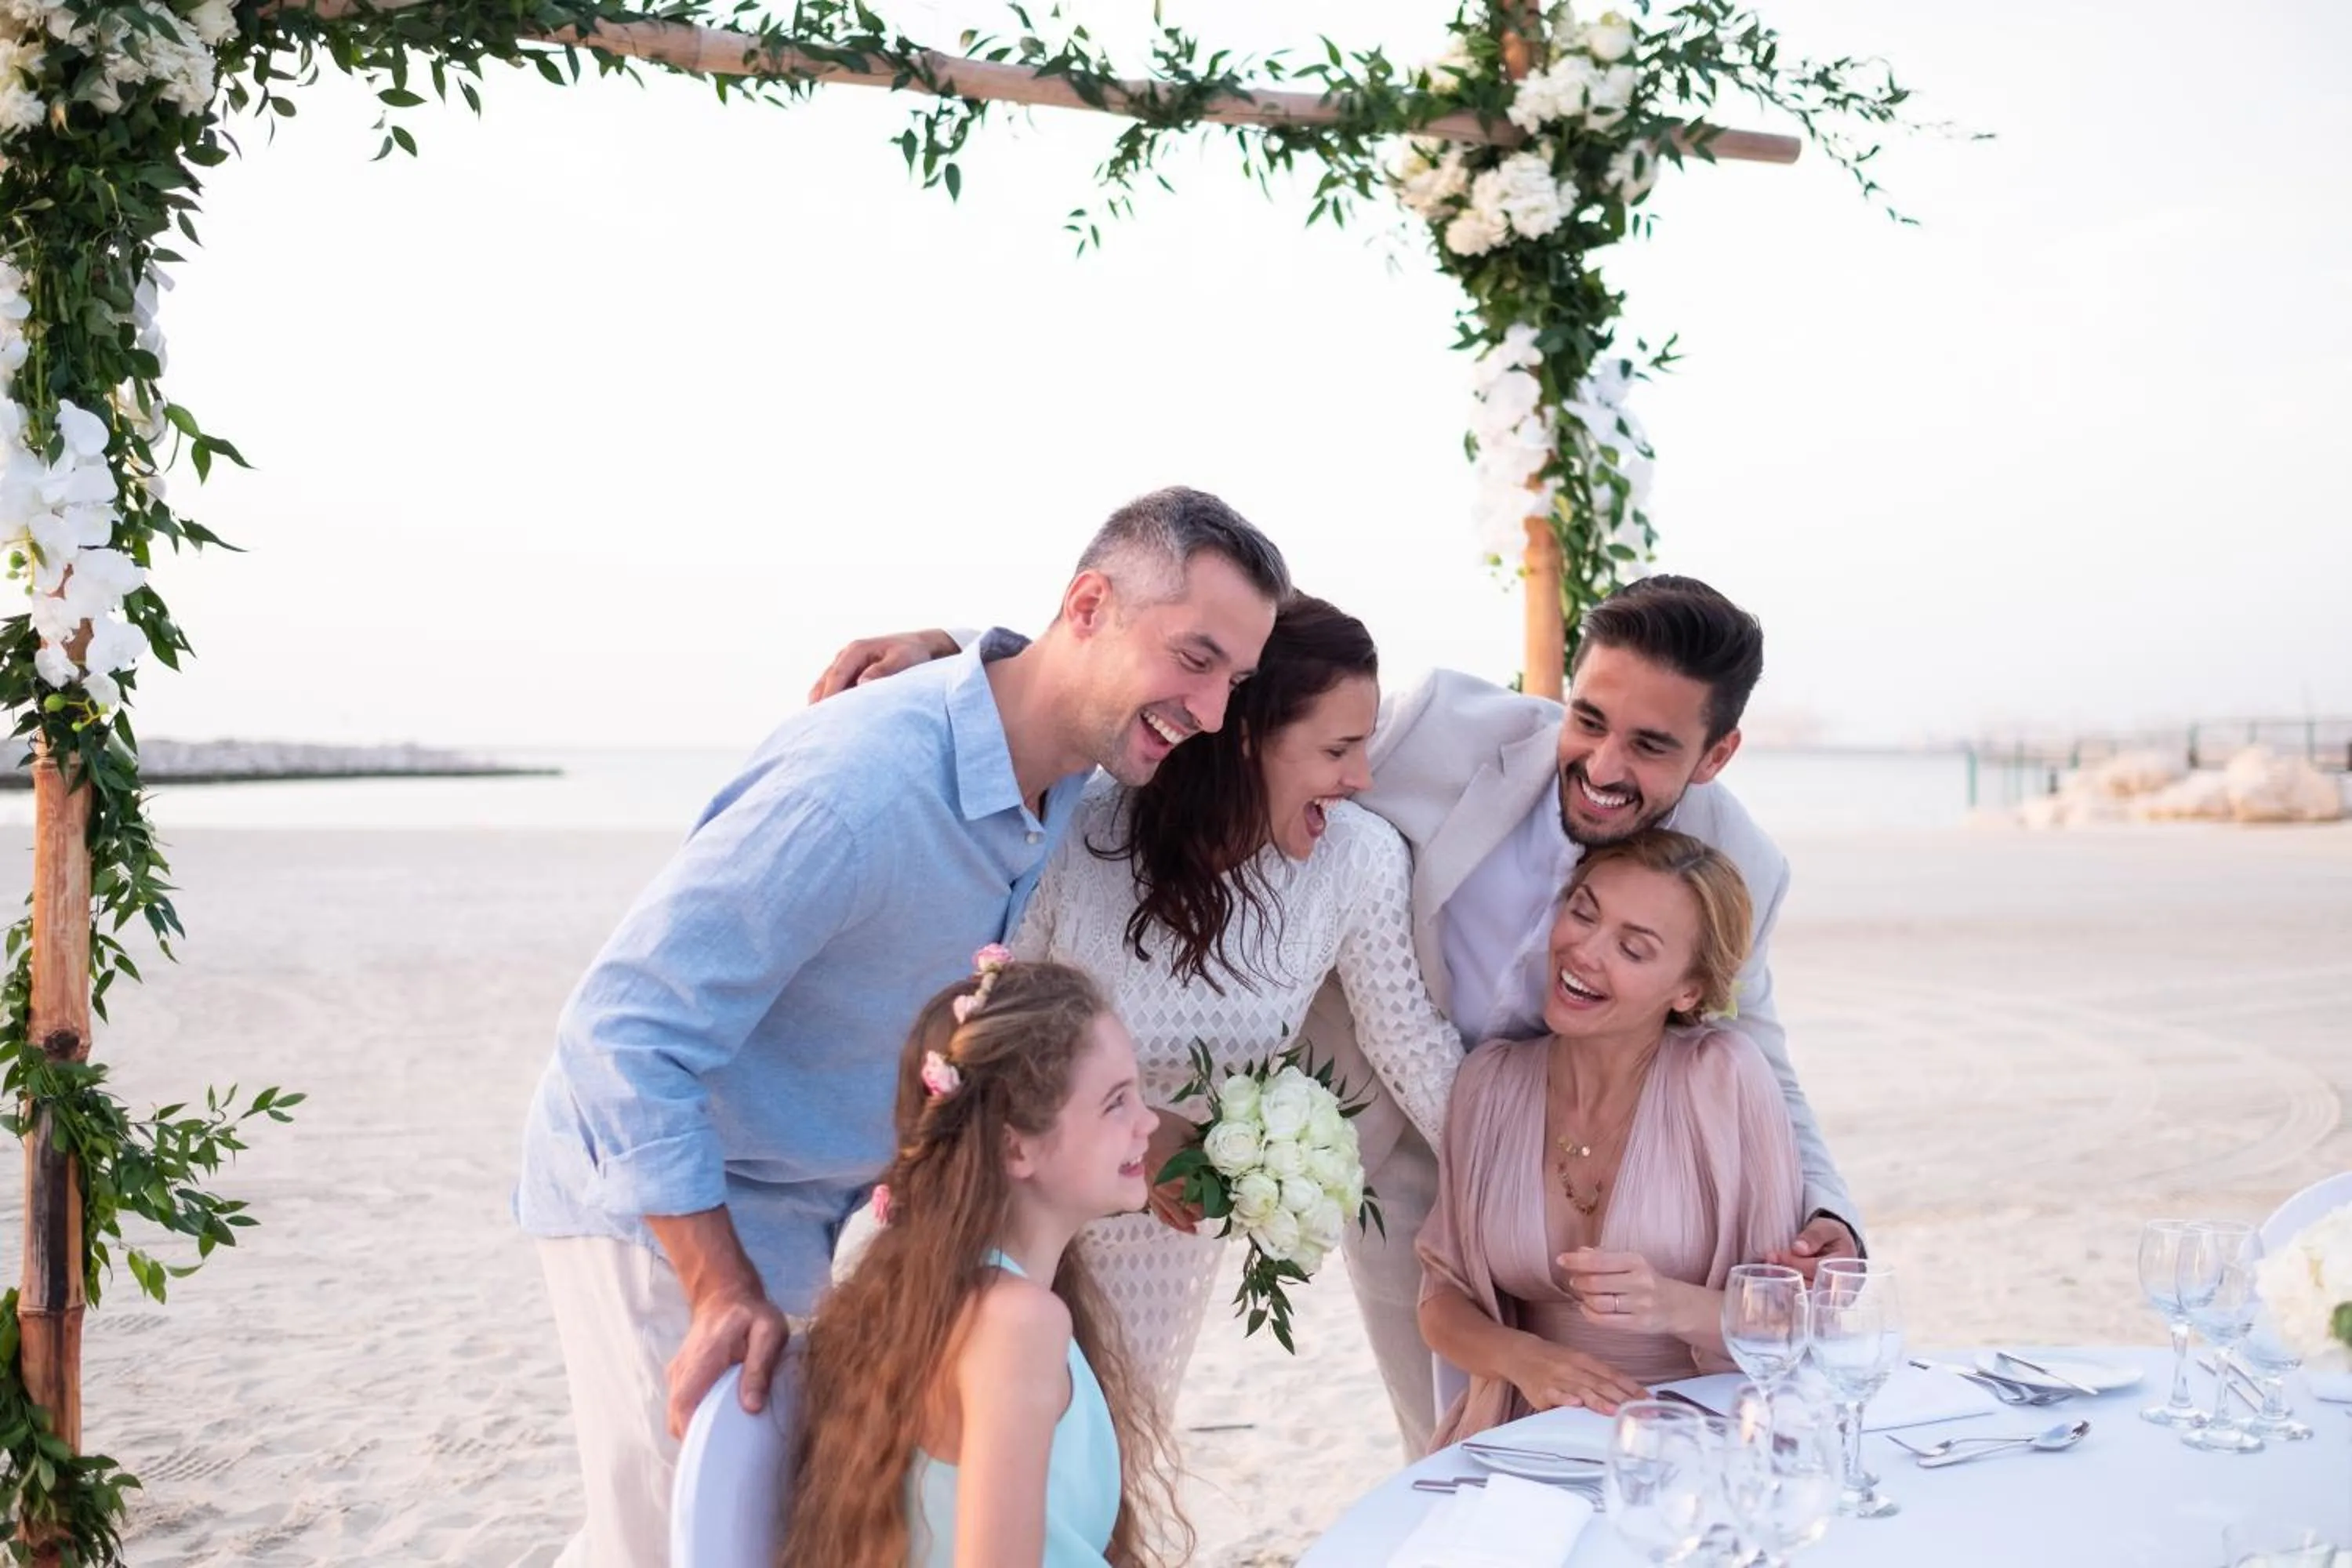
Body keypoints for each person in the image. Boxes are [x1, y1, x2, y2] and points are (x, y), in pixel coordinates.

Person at [811, 574, 1861, 1455]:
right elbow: (1226, 655)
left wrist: (1831, 1211)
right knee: (1449, 1440)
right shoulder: (1441, 729)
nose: (1603, 764)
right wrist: (970, 653)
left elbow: (1758, 1046)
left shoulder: (1741, 867)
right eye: (1588, 719)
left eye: (1651, 746)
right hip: (1400, 1168)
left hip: (1589, 1174)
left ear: (1715, 755)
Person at [515, 487, 1287, 1566]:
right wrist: (716, 1285)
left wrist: (954, 642)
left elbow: (1038, 669)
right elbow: (619, 1031)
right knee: (683, 1542)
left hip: (807, 1211)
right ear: (1089, 606)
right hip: (667, 1201)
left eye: (1233, 681)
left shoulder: (1057, 765)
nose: (1209, 712)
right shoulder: (859, 793)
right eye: (1195, 659)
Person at [1009, 595, 1461, 1413]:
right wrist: (1133, 1129)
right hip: (1016, 1191)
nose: (1360, 777)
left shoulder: (1358, 857)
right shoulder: (1088, 825)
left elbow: (1410, 1040)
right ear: (1247, 739)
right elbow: (995, 1010)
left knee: (1109, 1457)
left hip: (1160, 1244)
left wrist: (1534, 1178)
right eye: (1336, 748)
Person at [782, 955, 1185, 1568]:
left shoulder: (949, 1290)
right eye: (1115, 1103)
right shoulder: (1014, 1323)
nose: (1148, 1123)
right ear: (1015, 1145)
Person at [1417, 829, 1804, 1446]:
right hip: (1525, 1435)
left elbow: (1788, 1320)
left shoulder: (1724, 1077)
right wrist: (1525, 1359)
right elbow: (1441, 1306)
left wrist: (1670, 1304)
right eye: (1583, 912)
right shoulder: (1488, 1083)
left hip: (1693, 1438)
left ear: (1688, 990)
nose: (1584, 952)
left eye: (1633, 948)